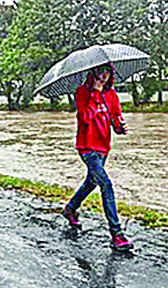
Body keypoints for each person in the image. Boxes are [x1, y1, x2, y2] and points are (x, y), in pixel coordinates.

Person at [61, 62, 134, 251]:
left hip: (103, 147)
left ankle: (70, 209)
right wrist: (94, 94)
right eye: (100, 72)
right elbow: (84, 118)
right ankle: (117, 234)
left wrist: (119, 127)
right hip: (87, 147)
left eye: (107, 73)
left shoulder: (111, 95)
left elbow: (115, 119)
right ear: (92, 73)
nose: (104, 76)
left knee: (91, 182)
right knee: (105, 184)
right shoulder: (82, 93)